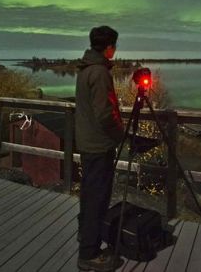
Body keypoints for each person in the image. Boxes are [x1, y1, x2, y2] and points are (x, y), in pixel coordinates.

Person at [75, 26, 124, 271]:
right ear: (109, 47)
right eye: (114, 45)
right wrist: (121, 135)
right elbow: (105, 114)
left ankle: (86, 235)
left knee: (88, 193)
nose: (115, 49)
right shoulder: (100, 72)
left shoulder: (85, 69)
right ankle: (89, 255)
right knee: (97, 197)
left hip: (87, 142)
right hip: (98, 145)